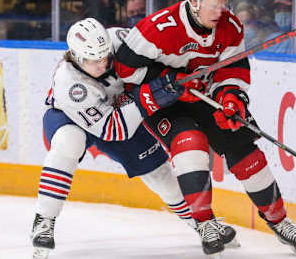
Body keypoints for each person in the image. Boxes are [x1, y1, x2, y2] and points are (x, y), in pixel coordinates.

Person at [114, 0, 296, 257]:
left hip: (204, 96)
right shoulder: (156, 30)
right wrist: (163, 85)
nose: (221, 9)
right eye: (214, 2)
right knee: (190, 146)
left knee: (244, 150)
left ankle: (279, 221)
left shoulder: (230, 26)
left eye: (224, 2)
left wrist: (231, 98)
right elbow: (126, 74)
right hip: (165, 104)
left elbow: (233, 69)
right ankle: (205, 223)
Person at [29, 18, 235, 258]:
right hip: (74, 119)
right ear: (75, 56)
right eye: (94, 60)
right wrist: (154, 94)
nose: (103, 63)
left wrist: (176, 74)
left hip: (119, 111)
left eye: (105, 56)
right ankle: (44, 220)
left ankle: (201, 223)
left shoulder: (119, 39)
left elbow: (157, 54)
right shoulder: (70, 84)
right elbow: (114, 130)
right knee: (68, 142)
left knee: (160, 173)